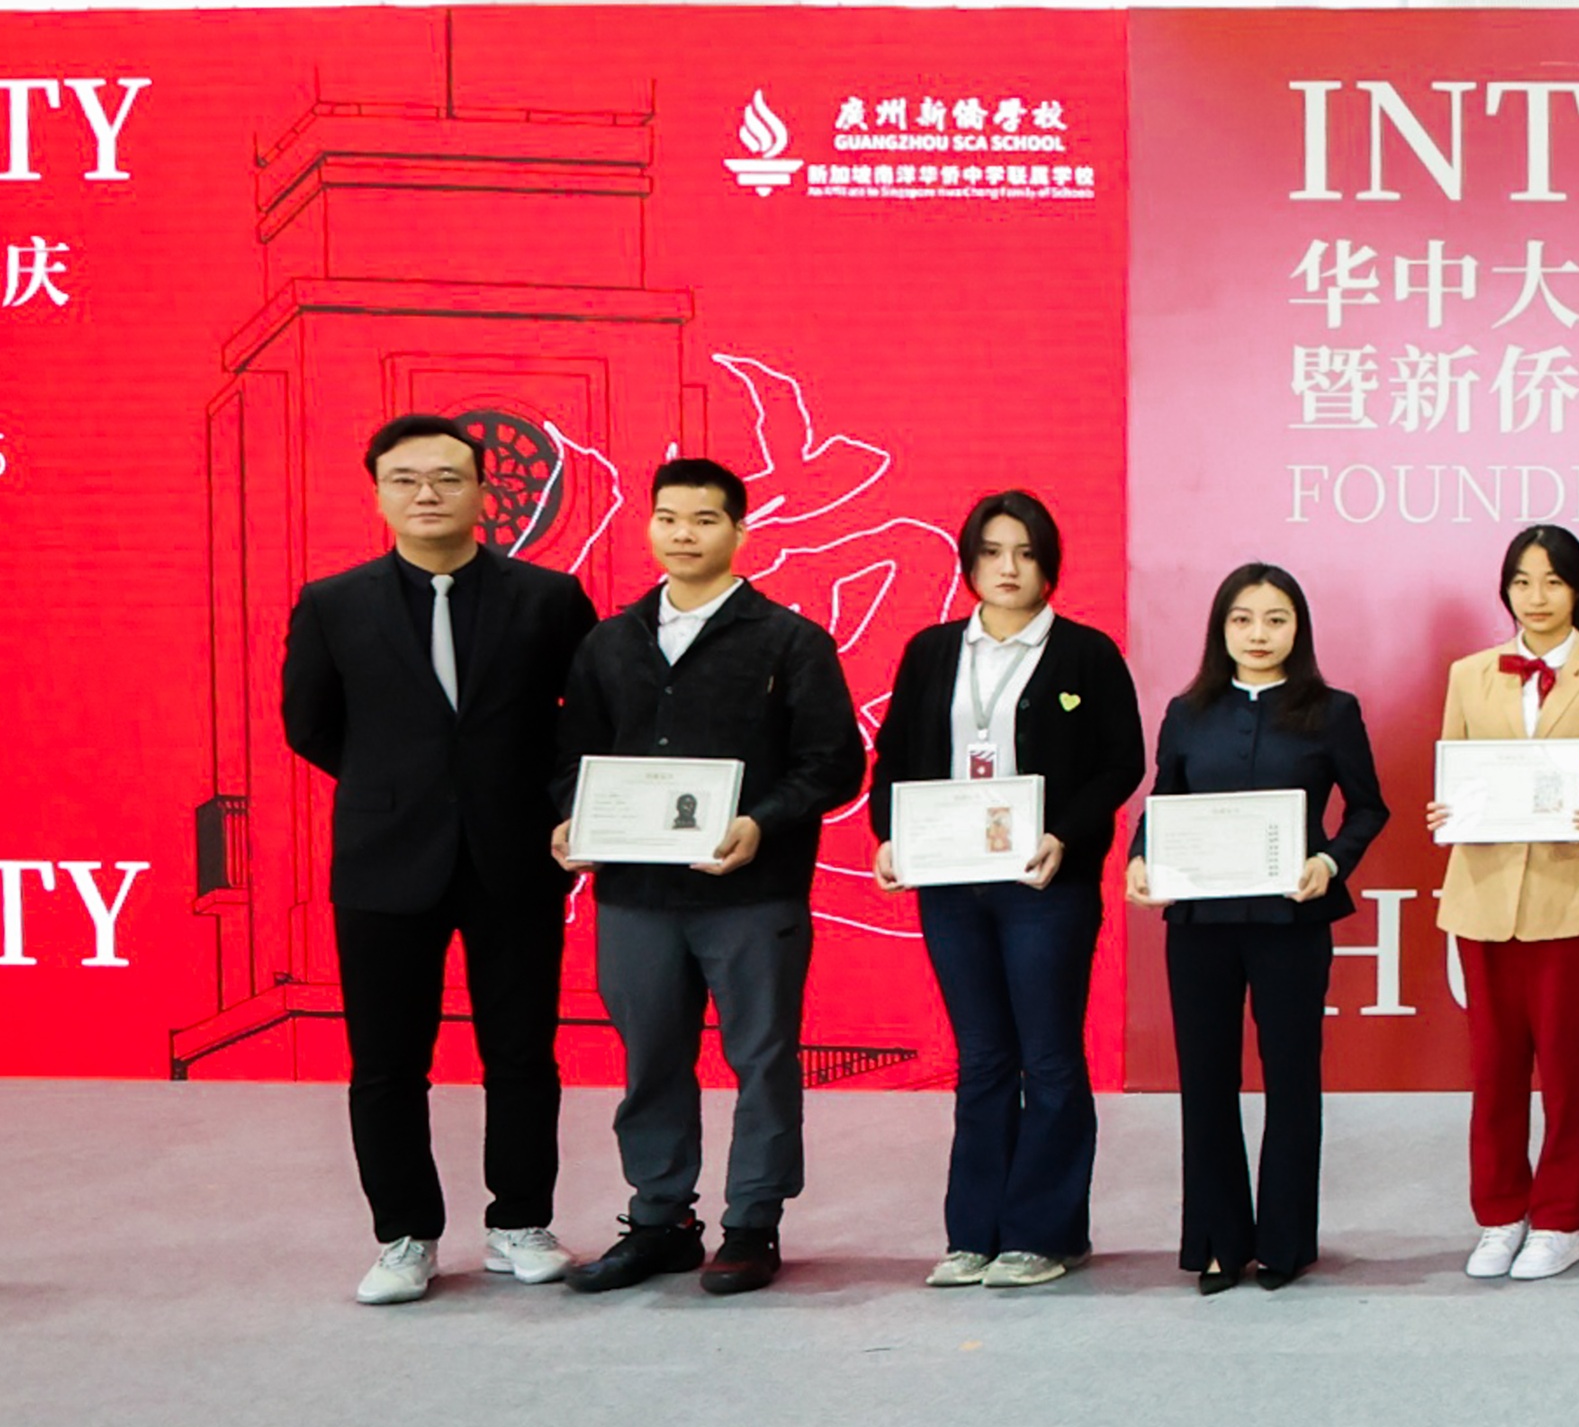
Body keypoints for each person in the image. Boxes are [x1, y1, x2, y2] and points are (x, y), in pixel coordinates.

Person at [281, 414, 600, 1306]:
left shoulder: (548, 599)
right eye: (407, 479)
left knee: (523, 1052)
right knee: (387, 1063)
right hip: (385, 860)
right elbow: (310, 724)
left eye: (449, 478)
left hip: (517, 853)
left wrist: (555, 805)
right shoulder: (333, 603)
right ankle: (404, 1236)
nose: (428, 494)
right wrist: (400, 786)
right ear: (379, 493)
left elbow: (586, 720)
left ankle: (520, 1222)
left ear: (482, 492)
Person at [552, 457, 863, 1297]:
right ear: (649, 526)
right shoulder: (610, 641)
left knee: (762, 1059)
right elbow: (570, 756)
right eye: (668, 518)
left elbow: (834, 762)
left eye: (703, 519)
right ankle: (659, 1221)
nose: (682, 534)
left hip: (750, 892)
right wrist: (571, 818)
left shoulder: (788, 640)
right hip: (636, 895)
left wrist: (760, 821)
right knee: (650, 1059)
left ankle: (753, 1225)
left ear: (740, 531)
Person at [864, 490, 1147, 1290]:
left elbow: (1120, 762)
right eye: (992, 552)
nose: (1008, 568)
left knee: (1048, 1054)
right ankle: (973, 1234)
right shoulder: (932, 651)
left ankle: (1044, 1234)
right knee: (983, 1055)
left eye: (1025, 552)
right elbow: (893, 756)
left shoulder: (1085, 653)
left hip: (1042, 881)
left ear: (1049, 563)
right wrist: (890, 836)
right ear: (969, 562)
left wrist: (1064, 835)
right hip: (951, 882)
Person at [1133, 563, 1383, 1290]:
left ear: (1298, 628)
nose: (1258, 634)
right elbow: (1163, 800)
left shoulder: (1332, 711)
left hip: (1290, 919)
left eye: (1276, 619)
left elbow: (1368, 807)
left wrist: (1329, 862)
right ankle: (1217, 1239)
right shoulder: (1187, 712)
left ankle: (1283, 1242)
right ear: (1221, 628)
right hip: (1200, 920)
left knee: (1292, 1075)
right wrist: (1142, 857)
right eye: (1242, 619)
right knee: (1205, 1077)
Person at [1431, 522, 1579, 1283]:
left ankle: (1559, 1220)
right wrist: (1447, 809)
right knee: (1493, 1069)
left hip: (1572, 893)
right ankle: (1499, 1216)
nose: (1537, 597)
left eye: (1553, 581)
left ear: (1578, 589)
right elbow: (1455, 768)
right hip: (1484, 894)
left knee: (1566, 1067)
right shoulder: (1469, 674)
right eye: (1522, 582)